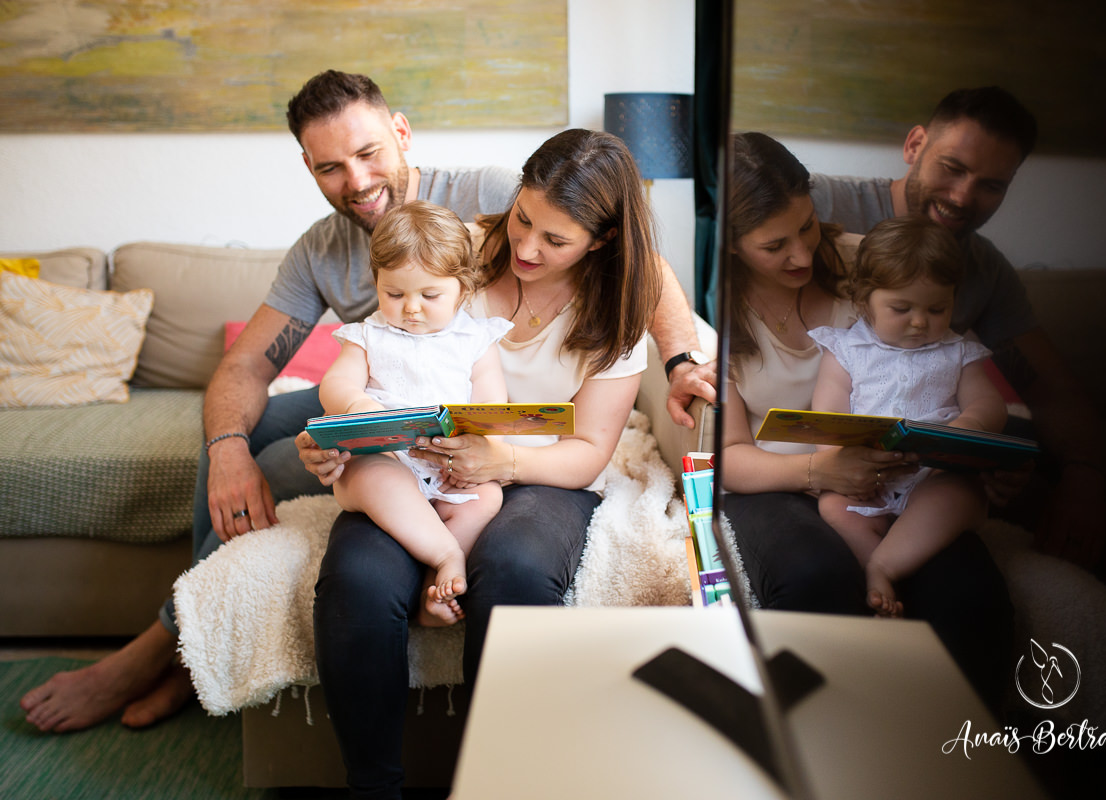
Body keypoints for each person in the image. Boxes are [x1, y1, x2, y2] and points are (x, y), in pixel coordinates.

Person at [19, 69, 707, 734]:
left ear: (402, 133)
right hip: (376, 393)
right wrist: (247, 447)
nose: (357, 180)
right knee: (232, 443)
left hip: (463, 415)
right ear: (308, 168)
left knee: (289, 462)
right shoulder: (325, 249)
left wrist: (680, 360)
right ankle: (180, 638)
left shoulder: (491, 198)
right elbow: (249, 365)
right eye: (330, 167)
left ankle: (162, 651)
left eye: (368, 152)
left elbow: (639, 267)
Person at [296, 127, 660, 796]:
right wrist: (333, 439)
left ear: (602, 239)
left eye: (555, 240)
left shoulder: (616, 316)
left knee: (515, 571)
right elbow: (370, 365)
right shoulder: (451, 248)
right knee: (358, 579)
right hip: (415, 459)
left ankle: (498, 783)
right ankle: (373, 787)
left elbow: (586, 454)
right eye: (523, 219)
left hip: (542, 473)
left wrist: (500, 461)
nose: (527, 248)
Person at [720, 131, 1012, 706]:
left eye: (807, 227)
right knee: (816, 578)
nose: (802, 255)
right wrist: (821, 472)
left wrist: (984, 450)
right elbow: (728, 458)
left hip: (906, 473)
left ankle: (956, 744)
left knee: (967, 594)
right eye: (774, 245)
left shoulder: (878, 259)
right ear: (731, 246)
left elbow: (954, 366)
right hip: (777, 482)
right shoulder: (717, 310)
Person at [810, 86, 1106, 569]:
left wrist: (1083, 477)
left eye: (991, 185)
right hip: (826, 454)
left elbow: (1050, 387)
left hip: (930, 471)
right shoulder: (820, 204)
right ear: (915, 146)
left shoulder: (986, 270)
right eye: (952, 168)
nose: (962, 197)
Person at [321, 201, 511, 625]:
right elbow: (334, 384)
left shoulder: (476, 340)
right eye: (394, 294)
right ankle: (446, 555)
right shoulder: (368, 335)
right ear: (377, 282)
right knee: (377, 477)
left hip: (446, 465)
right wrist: (357, 404)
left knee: (487, 497)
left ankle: (434, 590)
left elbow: (491, 408)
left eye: (429, 295)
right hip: (384, 459)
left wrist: (480, 447)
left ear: (463, 288)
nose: (410, 308)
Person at [809, 215, 1008, 617]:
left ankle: (885, 566)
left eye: (937, 308)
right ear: (864, 301)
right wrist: (839, 462)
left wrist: (968, 425)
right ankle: (876, 562)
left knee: (959, 495)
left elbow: (990, 404)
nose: (920, 321)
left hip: (933, 474)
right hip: (867, 475)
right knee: (833, 507)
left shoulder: (958, 351)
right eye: (902, 308)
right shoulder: (845, 350)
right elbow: (827, 414)